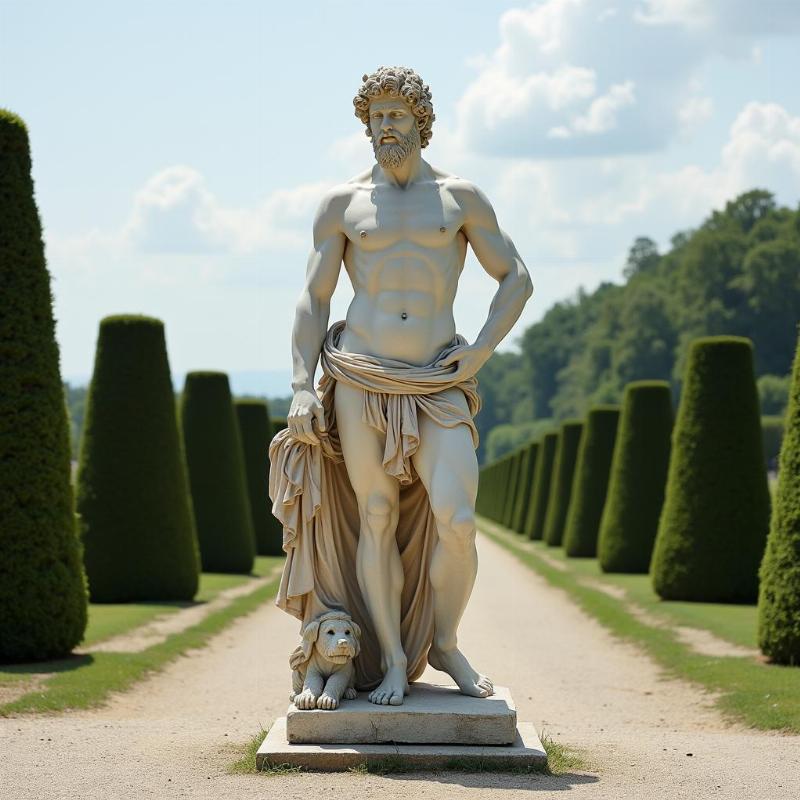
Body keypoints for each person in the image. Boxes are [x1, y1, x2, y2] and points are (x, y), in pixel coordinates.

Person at [273, 66, 532, 707]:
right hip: (361, 373)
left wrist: (479, 352)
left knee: (459, 519)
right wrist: (303, 384)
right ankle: (391, 660)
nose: (385, 127)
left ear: (421, 120)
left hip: (438, 378)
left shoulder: (460, 198)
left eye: (396, 115)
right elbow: (313, 295)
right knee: (376, 515)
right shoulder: (343, 203)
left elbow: (517, 278)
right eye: (376, 117)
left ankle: (443, 641)